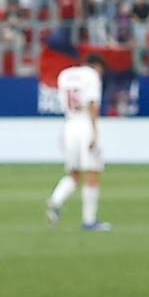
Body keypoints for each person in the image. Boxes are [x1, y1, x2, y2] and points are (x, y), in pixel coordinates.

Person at [46, 55, 107, 231]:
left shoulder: (65, 75)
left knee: (74, 173)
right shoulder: (91, 75)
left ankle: (56, 200)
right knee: (93, 172)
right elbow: (92, 103)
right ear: (96, 66)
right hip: (85, 125)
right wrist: (95, 130)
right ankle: (89, 220)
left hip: (69, 125)